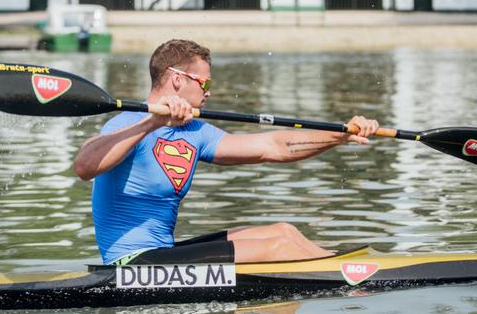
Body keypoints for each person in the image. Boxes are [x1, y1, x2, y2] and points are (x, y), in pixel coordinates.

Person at [73, 39, 379, 266]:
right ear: (177, 78)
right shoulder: (129, 122)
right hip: (130, 264)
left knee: (284, 233)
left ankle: (352, 269)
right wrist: (154, 122)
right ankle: (356, 276)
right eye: (204, 82)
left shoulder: (196, 133)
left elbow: (271, 148)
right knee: (277, 250)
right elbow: (84, 167)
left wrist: (339, 135)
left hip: (163, 255)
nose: (209, 92)